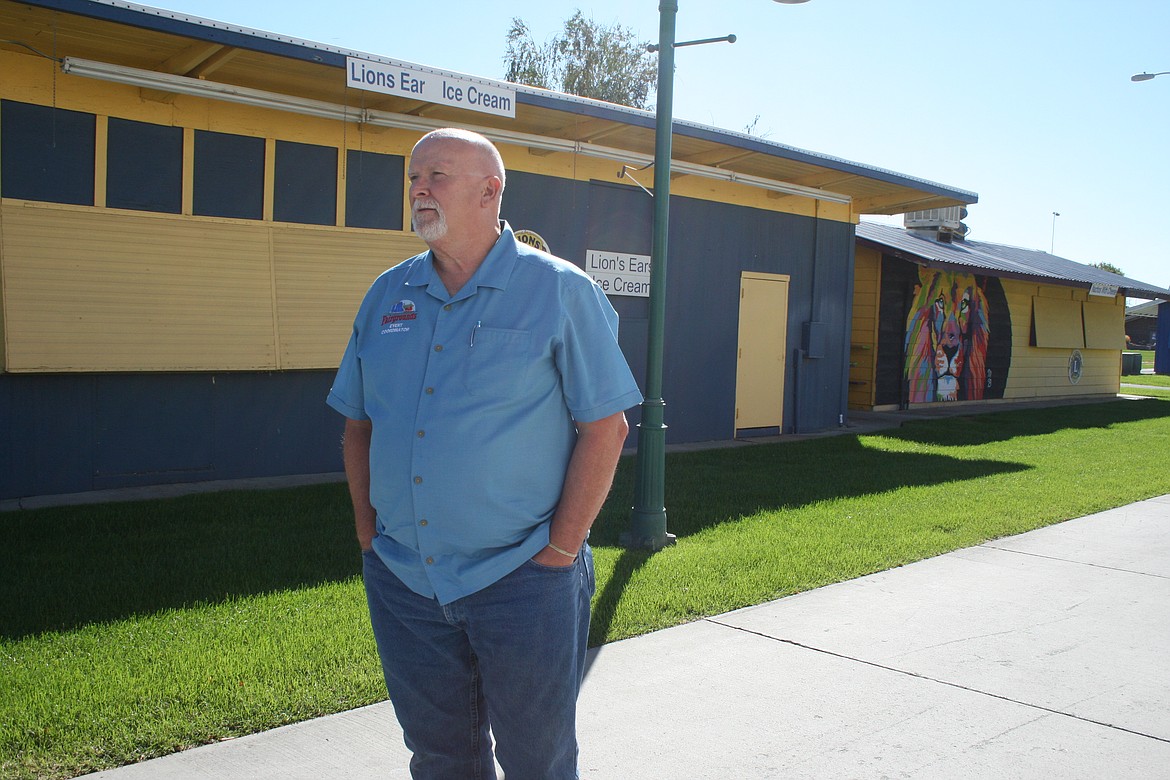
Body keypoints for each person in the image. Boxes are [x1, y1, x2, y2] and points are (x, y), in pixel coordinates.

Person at [326, 127, 642, 779]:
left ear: (489, 190)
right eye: (414, 176)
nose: (419, 188)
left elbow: (605, 428)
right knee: (441, 758)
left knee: (537, 761)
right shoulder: (388, 295)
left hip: (523, 579)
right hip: (406, 580)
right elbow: (357, 425)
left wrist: (560, 551)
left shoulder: (559, 292)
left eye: (437, 175)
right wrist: (368, 535)